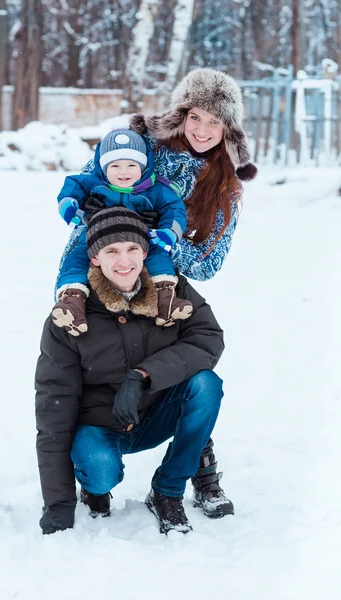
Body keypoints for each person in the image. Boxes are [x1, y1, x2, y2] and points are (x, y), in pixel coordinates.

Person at [56, 67, 257, 518]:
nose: (203, 130)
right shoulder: (143, 144)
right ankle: (91, 458)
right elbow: (89, 190)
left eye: (215, 122)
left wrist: (159, 237)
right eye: (197, 117)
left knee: (187, 367)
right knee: (100, 365)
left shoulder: (226, 186)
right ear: (182, 114)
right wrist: (78, 272)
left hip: (166, 282)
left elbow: (209, 263)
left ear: (228, 129)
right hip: (107, 271)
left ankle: (193, 472)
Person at [35, 207, 225, 535]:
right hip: (100, 425)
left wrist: (145, 375)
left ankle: (168, 491)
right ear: (94, 258)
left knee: (205, 385)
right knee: (99, 467)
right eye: (112, 251)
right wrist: (58, 502)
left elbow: (208, 338)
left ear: (145, 251)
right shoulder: (70, 316)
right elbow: (54, 406)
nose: (125, 261)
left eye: (132, 249)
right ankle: (94, 488)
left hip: (157, 412)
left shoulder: (171, 290)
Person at [52, 121, 192, 335]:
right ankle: (72, 302)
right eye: (115, 166)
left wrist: (167, 232)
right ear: (103, 168)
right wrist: (70, 206)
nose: (123, 172)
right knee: (78, 257)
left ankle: (166, 301)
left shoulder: (154, 190)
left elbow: (174, 208)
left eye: (131, 165)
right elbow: (72, 185)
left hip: (140, 236)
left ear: (144, 167)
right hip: (96, 235)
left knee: (157, 256)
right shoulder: (95, 183)